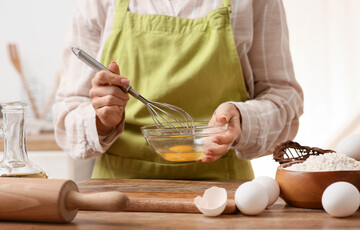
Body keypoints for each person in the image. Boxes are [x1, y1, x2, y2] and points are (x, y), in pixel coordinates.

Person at [53, 0, 303, 180]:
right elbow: (66, 117)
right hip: (118, 194)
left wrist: (242, 119)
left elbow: (284, 97)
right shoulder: (98, 4)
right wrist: (100, 119)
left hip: (222, 191)